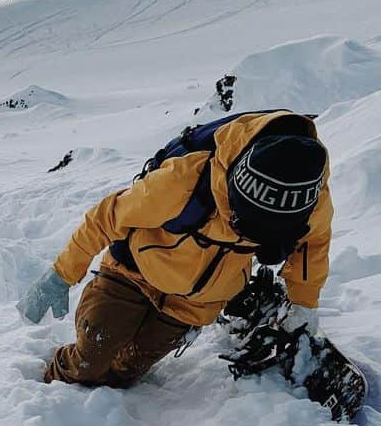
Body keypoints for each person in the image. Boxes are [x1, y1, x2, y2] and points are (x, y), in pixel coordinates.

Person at [21, 110, 332, 387]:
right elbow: (106, 218)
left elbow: (311, 248)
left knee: (126, 371)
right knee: (92, 359)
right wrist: (60, 275)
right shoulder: (184, 181)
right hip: (133, 273)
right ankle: (57, 382)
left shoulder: (311, 203)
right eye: (245, 221)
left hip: (195, 305)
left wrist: (303, 303)